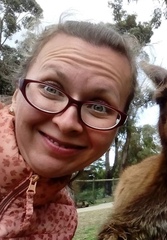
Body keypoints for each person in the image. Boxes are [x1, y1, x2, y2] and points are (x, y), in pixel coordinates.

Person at [0, 17, 137, 239]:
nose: (66, 123)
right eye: (51, 89)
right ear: (17, 96)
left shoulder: (63, 222)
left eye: (98, 107)